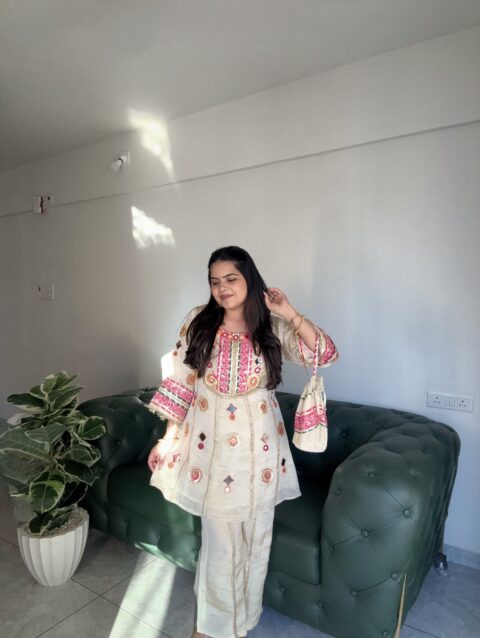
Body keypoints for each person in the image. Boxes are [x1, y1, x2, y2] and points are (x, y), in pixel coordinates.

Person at [146, 246, 338, 638]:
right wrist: (167, 439)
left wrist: (289, 312)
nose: (222, 288)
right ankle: (210, 628)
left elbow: (326, 354)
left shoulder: (271, 325)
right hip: (212, 454)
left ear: (249, 278)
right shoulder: (198, 321)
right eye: (215, 281)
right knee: (219, 545)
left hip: (260, 454)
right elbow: (180, 384)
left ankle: (241, 623)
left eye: (231, 279)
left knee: (257, 539)